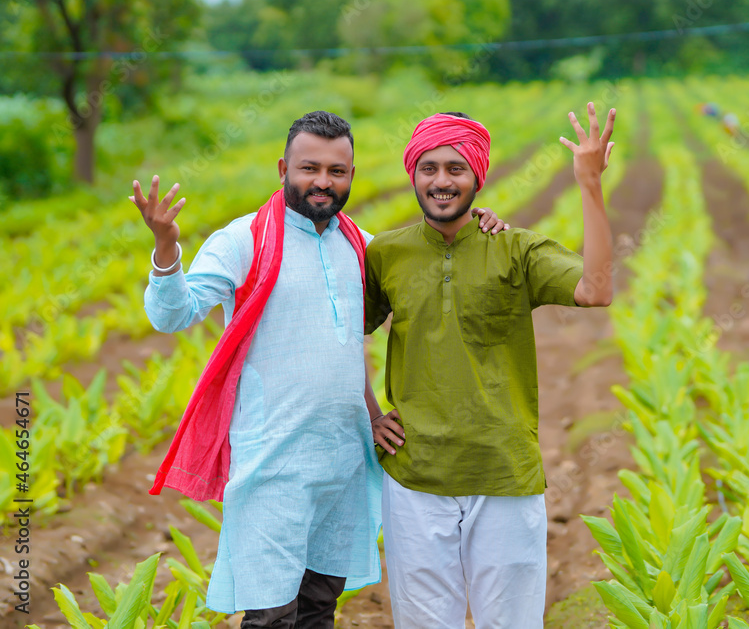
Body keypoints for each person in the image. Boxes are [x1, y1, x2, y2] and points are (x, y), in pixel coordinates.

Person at [130, 110, 506, 628]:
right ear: (283, 167)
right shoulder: (244, 240)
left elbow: (353, 344)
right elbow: (172, 314)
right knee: (271, 614)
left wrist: (480, 224)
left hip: (344, 460)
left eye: (337, 171)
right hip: (272, 462)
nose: (323, 182)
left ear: (352, 175)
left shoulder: (362, 246)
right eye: (310, 168)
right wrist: (167, 247)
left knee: (317, 609)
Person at [364, 103, 616, 627]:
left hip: (504, 474)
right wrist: (368, 411)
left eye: (456, 168)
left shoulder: (516, 249)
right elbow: (340, 335)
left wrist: (589, 185)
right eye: (428, 168)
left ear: (477, 175)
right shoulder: (386, 253)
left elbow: (596, 289)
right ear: (412, 173)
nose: (441, 181)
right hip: (415, 476)